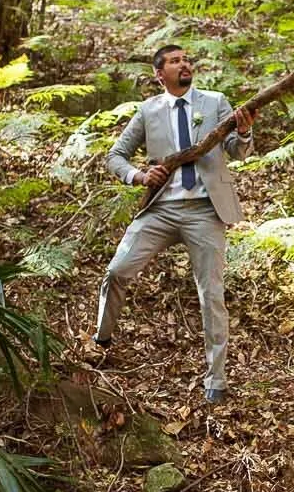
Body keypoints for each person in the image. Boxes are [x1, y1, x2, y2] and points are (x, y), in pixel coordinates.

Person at [97, 43, 254, 406]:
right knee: (117, 270)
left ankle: (216, 379)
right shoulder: (148, 110)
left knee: (211, 295)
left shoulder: (215, 102)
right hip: (160, 210)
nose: (184, 64)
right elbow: (115, 156)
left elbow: (237, 151)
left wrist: (244, 133)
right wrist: (138, 175)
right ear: (159, 74)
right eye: (175, 61)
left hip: (205, 210)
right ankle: (102, 337)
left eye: (186, 59)